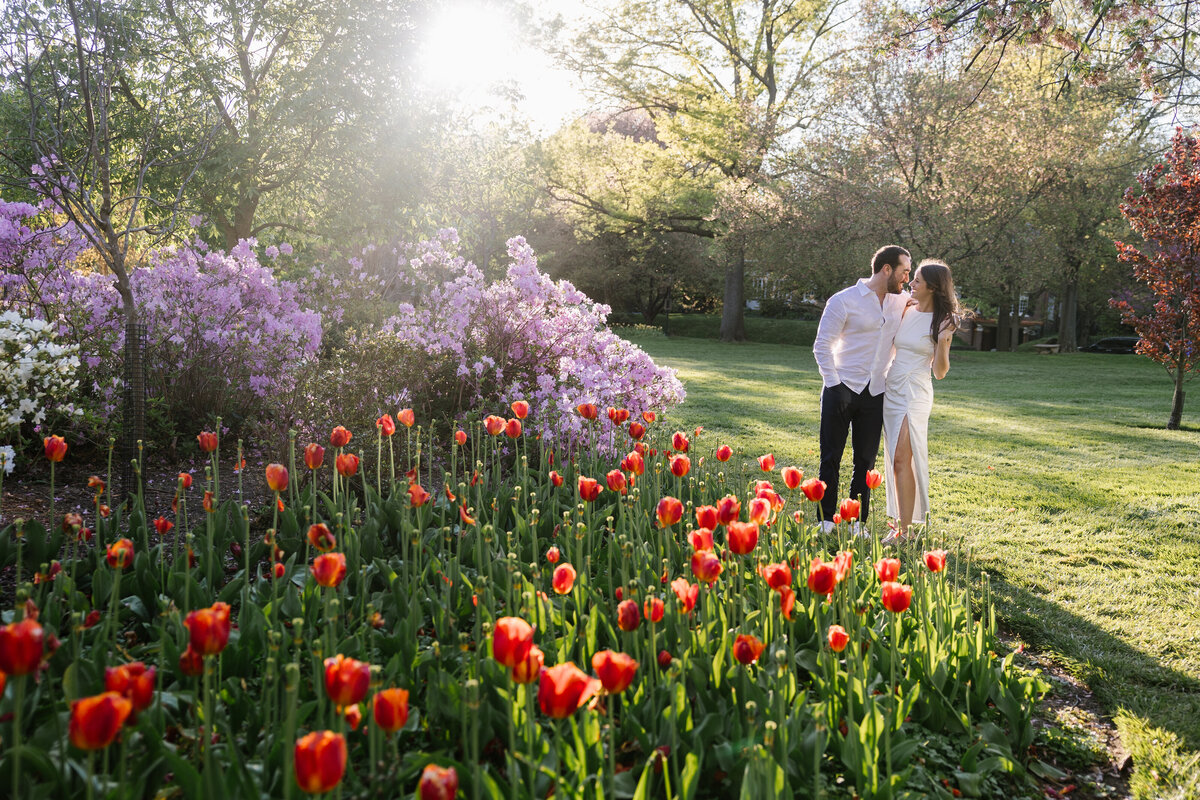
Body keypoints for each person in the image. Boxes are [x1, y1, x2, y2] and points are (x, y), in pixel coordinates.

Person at [812, 245, 911, 533]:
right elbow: (822, 346)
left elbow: (928, 310)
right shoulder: (843, 300)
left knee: (865, 460)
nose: (907, 278)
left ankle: (857, 521)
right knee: (831, 456)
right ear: (886, 269)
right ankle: (825, 519)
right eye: (904, 271)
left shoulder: (901, 301)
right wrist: (835, 385)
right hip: (840, 387)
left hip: (876, 391)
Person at [881, 259, 959, 543]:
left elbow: (939, 372)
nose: (910, 284)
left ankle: (904, 532)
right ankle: (902, 524)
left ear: (933, 287)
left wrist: (942, 341)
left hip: (916, 391)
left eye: (916, 281)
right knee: (896, 460)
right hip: (893, 388)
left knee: (903, 457)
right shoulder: (906, 310)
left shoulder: (945, 320)